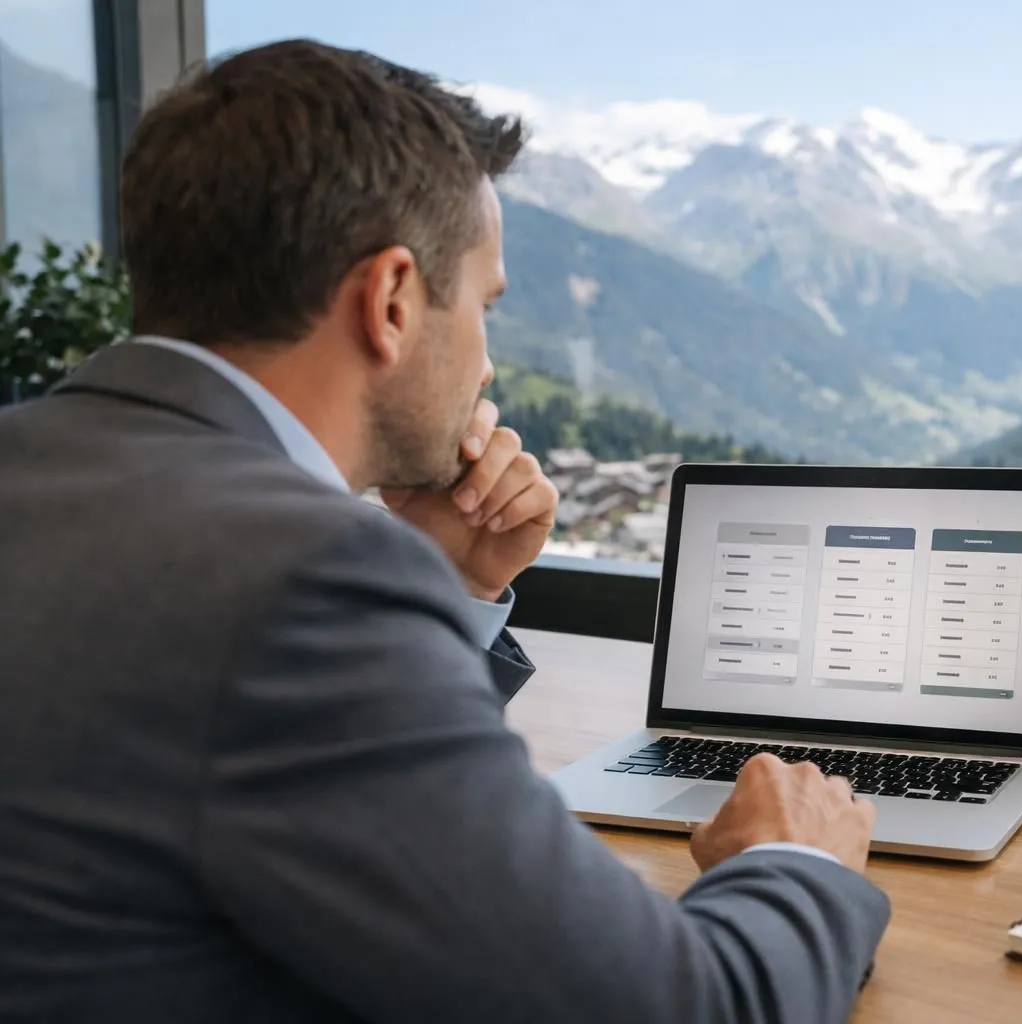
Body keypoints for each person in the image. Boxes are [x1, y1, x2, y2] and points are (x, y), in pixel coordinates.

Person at [0, 39, 888, 1023]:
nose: (489, 364)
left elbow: (317, 806)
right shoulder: (304, 583)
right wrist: (795, 859)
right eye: (482, 303)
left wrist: (441, 582)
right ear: (389, 301)